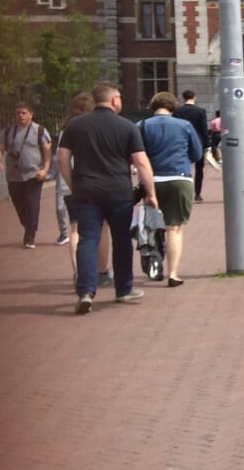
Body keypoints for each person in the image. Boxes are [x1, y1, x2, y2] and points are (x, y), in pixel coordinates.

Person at [57, 81, 157, 314]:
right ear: (114, 100)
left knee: (88, 239)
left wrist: (74, 184)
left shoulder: (75, 126)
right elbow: (141, 162)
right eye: (119, 97)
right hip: (119, 192)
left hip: (86, 192)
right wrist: (150, 193)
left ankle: (85, 291)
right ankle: (123, 289)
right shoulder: (127, 126)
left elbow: (62, 159)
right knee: (121, 240)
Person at [139, 91, 202, 287]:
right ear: (173, 107)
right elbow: (197, 153)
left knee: (152, 226)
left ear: (152, 106)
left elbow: (136, 154)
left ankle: (154, 267)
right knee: (174, 228)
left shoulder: (141, 126)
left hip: (152, 180)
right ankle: (173, 273)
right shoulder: (184, 126)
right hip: (179, 178)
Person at [55, 94, 107, 283]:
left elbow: (62, 159)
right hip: (92, 183)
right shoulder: (93, 127)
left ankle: (78, 272)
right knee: (101, 228)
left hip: (71, 186)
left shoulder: (65, 130)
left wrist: (70, 184)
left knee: (75, 229)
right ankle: (101, 271)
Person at [0, 102, 53, 248]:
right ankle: (29, 227)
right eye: (18, 113)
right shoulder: (8, 132)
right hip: (14, 176)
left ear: (31, 114)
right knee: (20, 207)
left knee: (32, 205)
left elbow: (47, 151)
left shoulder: (39, 130)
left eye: (23, 113)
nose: (20, 116)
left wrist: (45, 169)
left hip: (33, 175)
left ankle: (30, 236)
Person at [171, 89, 211, 201]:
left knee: (183, 167)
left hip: (183, 142)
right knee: (199, 169)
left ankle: (183, 193)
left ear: (183, 98)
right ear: (194, 97)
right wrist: (207, 145)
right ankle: (197, 194)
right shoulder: (200, 111)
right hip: (198, 142)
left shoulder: (177, 111)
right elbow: (204, 129)